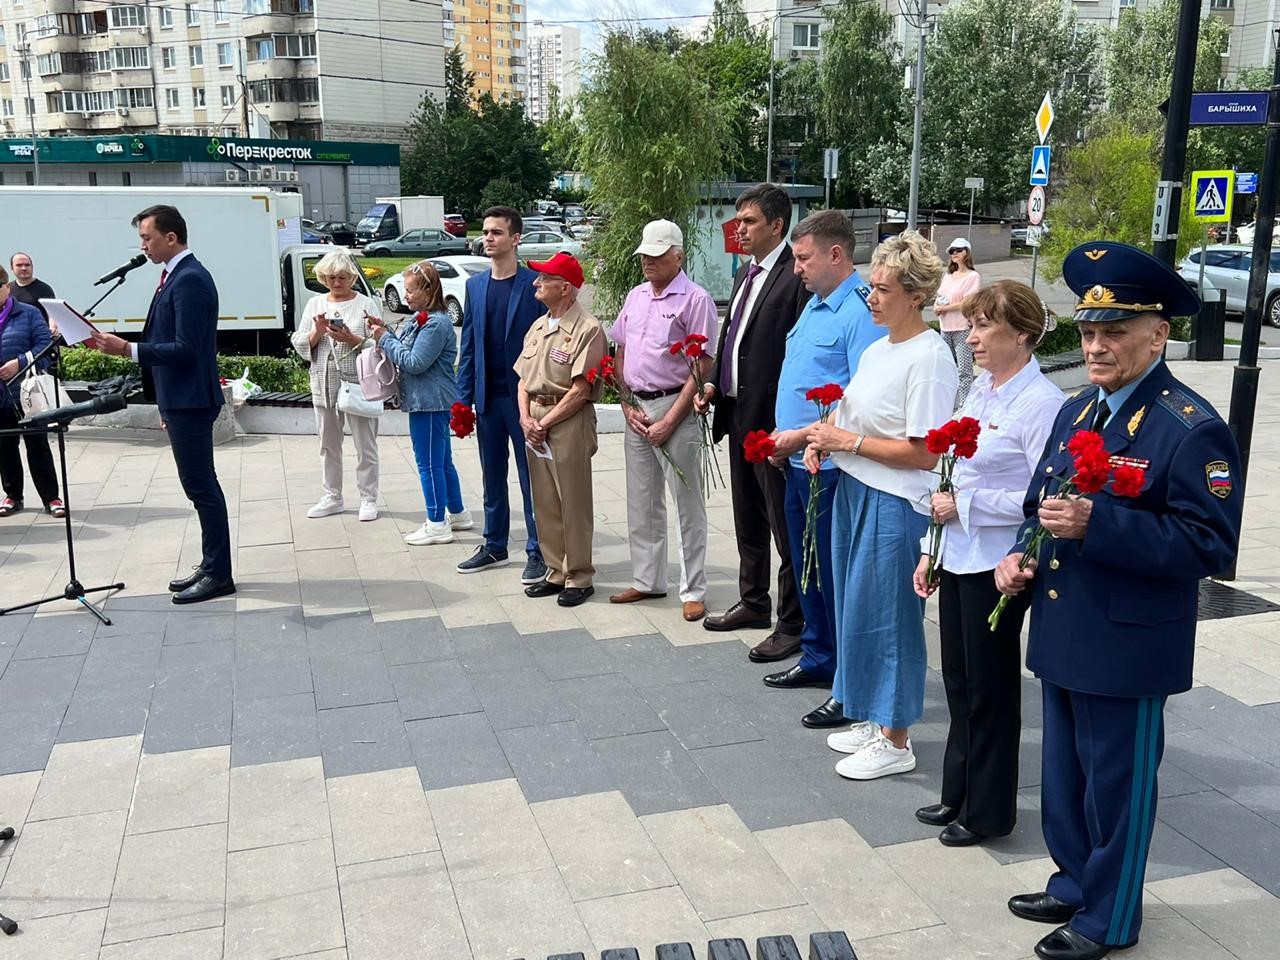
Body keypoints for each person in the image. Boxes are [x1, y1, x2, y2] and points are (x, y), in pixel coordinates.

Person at [997, 242, 1242, 960]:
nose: (1098, 347)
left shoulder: (1188, 426)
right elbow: (1042, 502)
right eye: (1089, 333)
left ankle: (1111, 917)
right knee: (1066, 778)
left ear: (1158, 334)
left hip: (1130, 641)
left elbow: (1207, 546)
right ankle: (1075, 882)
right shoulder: (1078, 409)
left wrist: (1101, 523)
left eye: (1116, 332)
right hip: (1065, 624)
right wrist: (1020, 553)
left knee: (1117, 790)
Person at [910, 280, 1063, 847]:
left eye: (983, 327)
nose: (970, 337)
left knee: (990, 687)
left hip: (999, 562)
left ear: (1020, 334)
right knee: (958, 678)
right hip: (958, 552)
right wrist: (930, 549)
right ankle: (959, 789)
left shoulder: (1040, 403)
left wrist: (966, 505)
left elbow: (1039, 495)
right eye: (971, 326)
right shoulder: (982, 391)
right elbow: (951, 472)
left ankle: (991, 809)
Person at [803, 230, 957, 780]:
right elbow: (851, 419)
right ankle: (871, 715)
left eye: (882, 289)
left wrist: (848, 444)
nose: (871, 297)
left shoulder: (930, 356)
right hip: (856, 489)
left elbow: (925, 452)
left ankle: (897, 736)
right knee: (856, 608)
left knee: (890, 616)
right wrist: (825, 440)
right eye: (870, 286)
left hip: (896, 501)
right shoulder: (877, 349)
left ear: (915, 296)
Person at [761, 211, 884, 728]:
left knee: (833, 576)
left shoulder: (860, 312)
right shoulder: (814, 305)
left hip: (829, 466)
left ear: (837, 254)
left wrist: (803, 435)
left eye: (804, 257)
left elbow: (861, 396)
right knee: (806, 566)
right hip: (796, 460)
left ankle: (845, 680)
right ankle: (817, 657)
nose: (796, 269)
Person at [88, 204, 233, 604]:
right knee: (198, 486)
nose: (143, 246)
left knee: (201, 487)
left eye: (147, 238)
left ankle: (219, 574)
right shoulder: (174, 276)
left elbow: (186, 349)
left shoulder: (189, 279)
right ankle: (210, 565)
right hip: (179, 399)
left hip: (191, 399)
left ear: (171, 237)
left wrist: (129, 349)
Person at [697, 183, 810, 656]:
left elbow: (794, 351)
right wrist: (713, 383)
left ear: (776, 226)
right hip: (737, 412)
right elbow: (735, 339)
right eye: (738, 220)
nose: (738, 228)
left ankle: (792, 623)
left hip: (772, 421)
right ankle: (752, 601)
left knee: (784, 524)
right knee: (747, 517)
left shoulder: (793, 276)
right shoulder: (749, 272)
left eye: (748, 221)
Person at [608, 220, 717, 622]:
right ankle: (648, 578)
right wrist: (625, 402)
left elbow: (702, 364)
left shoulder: (695, 299)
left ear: (678, 256)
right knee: (641, 499)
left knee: (687, 503)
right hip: (637, 406)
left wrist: (672, 419)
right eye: (645, 255)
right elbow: (620, 348)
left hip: (676, 406)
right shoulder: (636, 296)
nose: (648, 261)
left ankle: (694, 589)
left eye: (657, 255)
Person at [455, 206, 547, 585]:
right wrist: (463, 399)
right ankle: (494, 543)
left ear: (515, 238)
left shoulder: (535, 285)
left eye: (496, 232)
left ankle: (538, 549)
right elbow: (470, 344)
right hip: (487, 399)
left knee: (531, 479)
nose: (488, 238)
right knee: (492, 476)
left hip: (524, 400)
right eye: (486, 232)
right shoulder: (475, 286)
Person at [514, 252, 605, 607]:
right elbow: (523, 378)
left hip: (567, 421)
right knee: (546, 500)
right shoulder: (540, 325)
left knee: (573, 501)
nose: (537, 283)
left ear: (565, 288)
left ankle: (579, 576)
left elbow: (581, 389)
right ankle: (555, 570)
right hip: (535, 418)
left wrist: (543, 424)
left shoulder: (587, 328)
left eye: (544, 278)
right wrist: (526, 419)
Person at [366, 261, 472, 546]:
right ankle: (458, 514)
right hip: (431, 400)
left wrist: (384, 339)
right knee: (442, 461)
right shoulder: (423, 317)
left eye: (411, 290)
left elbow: (414, 362)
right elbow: (407, 346)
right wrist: (385, 330)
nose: (406, 295)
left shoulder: (435, 323)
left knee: (428, 465)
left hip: (429, 401)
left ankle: (436, 523)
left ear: (428, 289)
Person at [291, 251, 383, 523]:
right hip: (324, 383)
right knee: (328, 445)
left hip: (358, 384)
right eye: (331, 277)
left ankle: (368, 498)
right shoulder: (315, 303)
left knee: (365, 445)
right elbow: (299, 341)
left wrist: (351, 337)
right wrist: (318, 331)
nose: (336, 282)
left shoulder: (366, 304)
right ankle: (332, 496)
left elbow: (379, 345)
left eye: (342, 277)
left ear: (352, 277)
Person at [0, 266, 63, 518]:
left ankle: (51, 497)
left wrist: (19, 362)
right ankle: (13, 495)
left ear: (7, 287)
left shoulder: (28, 313)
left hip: (27, 395)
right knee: (4, 448)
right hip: (0, 399)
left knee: (37, 446)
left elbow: (46, 348)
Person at [933, 238, 980, 407]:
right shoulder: (948, 275)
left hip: (961, 327)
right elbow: (940, 296)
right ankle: (945, 404)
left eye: (958, 250)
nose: (954, 254)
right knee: (945, 369)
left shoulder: (972, 276)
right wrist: (937, 306)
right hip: (945, 327)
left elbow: (967, 302)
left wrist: (945, 309)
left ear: (966, 252)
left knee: (964, 370)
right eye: (951, 251)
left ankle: (964, 406)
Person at [8, 253, 57, 333]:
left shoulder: (44, 289)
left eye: (27, 265)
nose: (24, 268)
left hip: (38, 335)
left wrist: (53, 328)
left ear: (32, 267)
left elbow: (52, 314)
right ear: (12, 268)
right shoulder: (8, 289)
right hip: (14, 336)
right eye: (19, 265)